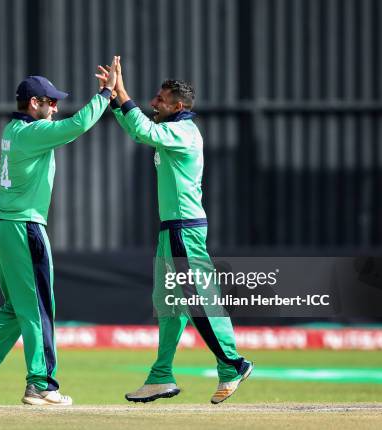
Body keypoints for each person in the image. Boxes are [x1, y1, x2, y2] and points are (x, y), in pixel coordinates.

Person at [0, 57, 119, 406]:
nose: (56, 106)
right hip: (24, 226)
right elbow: (79, 124)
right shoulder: (34, 132)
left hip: (4, 226)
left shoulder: (13, 131)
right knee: (38, 307)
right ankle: (41, 384)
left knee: (18, 306)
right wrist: (106, 92)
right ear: (33, 103)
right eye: (50, 101)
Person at [97, 58, 252, 404]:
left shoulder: (182, 132)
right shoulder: (171, 130)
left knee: (199, 299)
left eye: (160, 100)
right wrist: (115, 101)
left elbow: (144, 131)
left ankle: (233, 365)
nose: (154, 103)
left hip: (185, 228)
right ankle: (161, 376)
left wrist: (121, 92)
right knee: (168, 304)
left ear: (178, 106)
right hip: (172, 229)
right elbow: (138, 129)